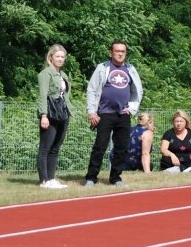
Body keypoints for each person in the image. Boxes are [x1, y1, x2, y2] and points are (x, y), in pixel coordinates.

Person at [84, 40, 144, 187]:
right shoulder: (102, 67)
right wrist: (91, 111)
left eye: (123, 51)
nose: (120, 53)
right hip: (104, 113)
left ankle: (116, 178)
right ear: (111, 52)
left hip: (123, 114)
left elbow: (138, 91)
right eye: (117, 51)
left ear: (126, 53)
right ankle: (91, 178)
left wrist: (132, 108)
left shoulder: (131, 69)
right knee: (100, 146)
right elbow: (92, 89)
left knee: (121, 148)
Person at [37, 44, 74, 189]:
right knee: (45, 148)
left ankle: (51, 178)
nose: (60, 59)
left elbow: (65, 95)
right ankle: (44, 181)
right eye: (57, 56)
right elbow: (42, 95)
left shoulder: (63, 75)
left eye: (62, 57)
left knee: (55, 148)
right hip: (50, 113)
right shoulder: (45, 74)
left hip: (63, 113)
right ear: (51, 57)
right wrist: (43, 115)